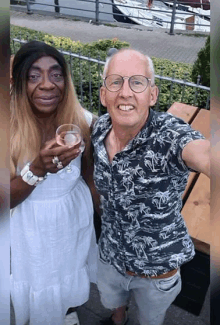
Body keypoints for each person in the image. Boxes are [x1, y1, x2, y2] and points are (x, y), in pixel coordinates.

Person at [91, 48, 210, 325]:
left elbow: (204, 154)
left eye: (137, 82)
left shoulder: (170, 136)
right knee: (112, 305)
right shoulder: (98, 130)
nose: (125, 92)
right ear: (103, 94)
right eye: (116, 81)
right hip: (110, 255)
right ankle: (118, 319)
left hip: (155, 272)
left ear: (152, 95)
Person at [10, 41, 99, 325]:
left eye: (56, 74)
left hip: (73, 220)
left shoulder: (83, 122)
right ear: (19, 82)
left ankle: (65, 312)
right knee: (39, 279)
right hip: (29, 227)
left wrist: (104, 217)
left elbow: (89, 176)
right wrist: (37, 168)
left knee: (67, 272)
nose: (48, 84)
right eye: (34, 76)